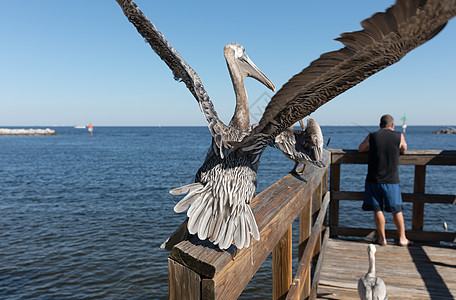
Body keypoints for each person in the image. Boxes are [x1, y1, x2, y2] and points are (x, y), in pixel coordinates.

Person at [358, 114, 411, 246]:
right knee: (396, 210)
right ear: (392, 125)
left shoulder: (372, 135)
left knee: (377, 209)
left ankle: (382, 238)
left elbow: (361, 149)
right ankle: (402, 238)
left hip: (373, 179)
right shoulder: (399, 135)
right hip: (392, 179)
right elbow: (404, 149)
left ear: (380, 124)